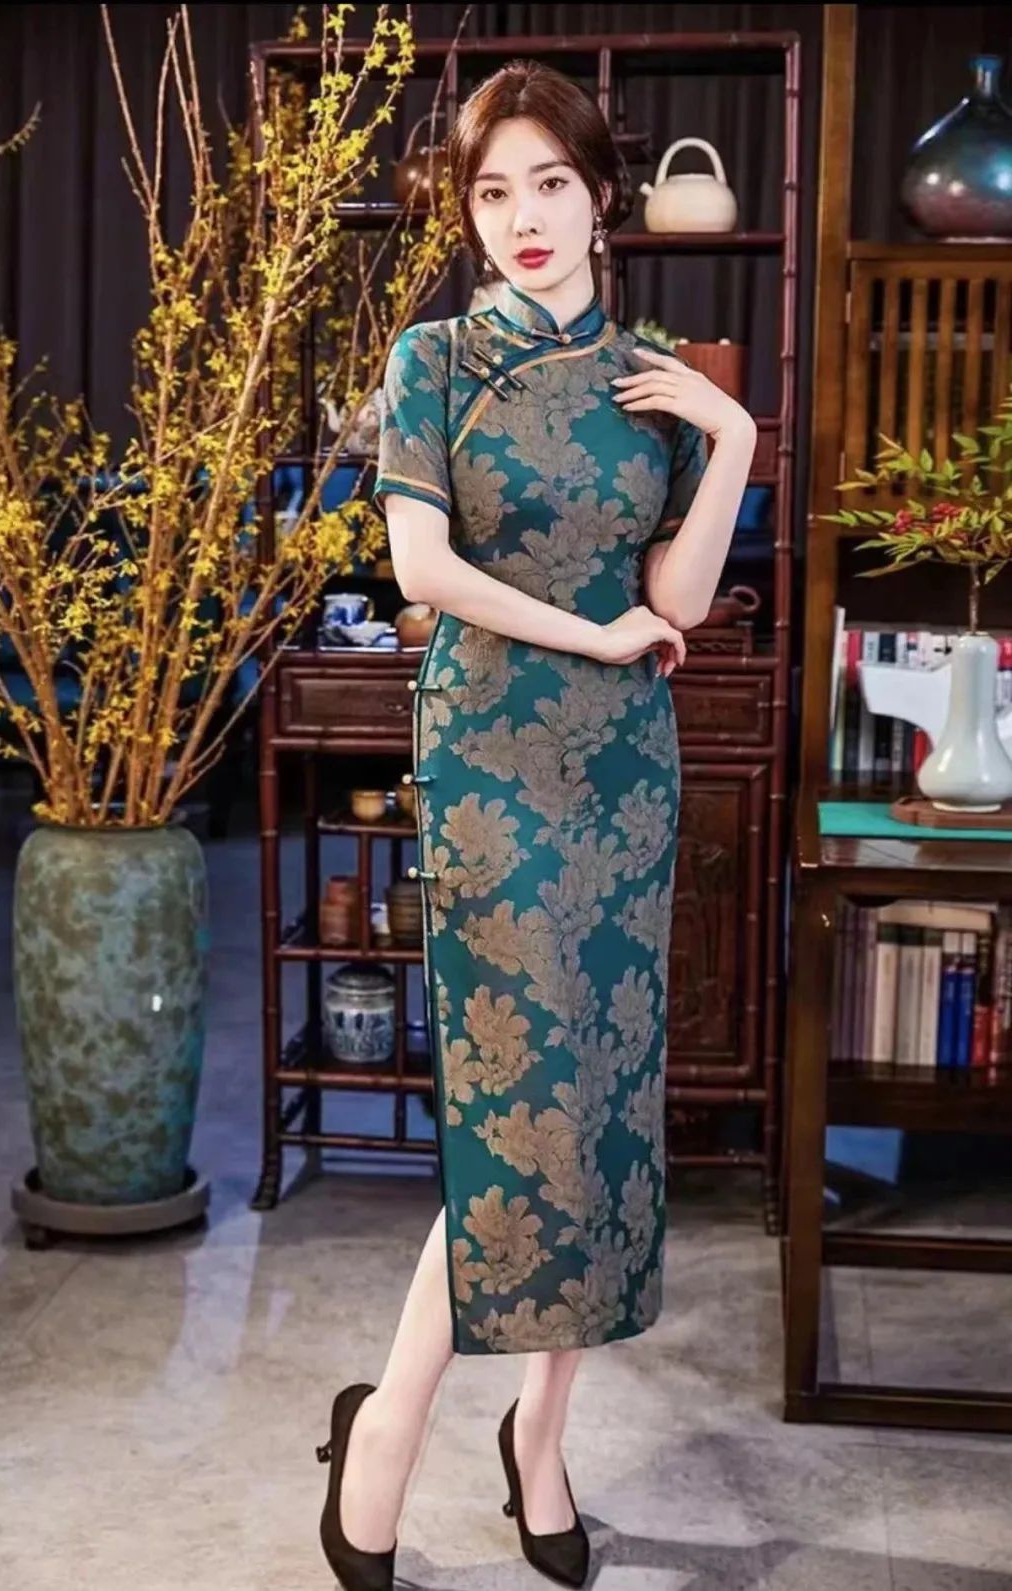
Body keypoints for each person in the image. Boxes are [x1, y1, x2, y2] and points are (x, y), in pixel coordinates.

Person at [316, 58, 757, 1591]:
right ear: (470, 210)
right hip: (493, 764)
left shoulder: (653, 378)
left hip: (624, 775)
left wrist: (732, 441)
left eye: (550, 183)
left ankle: (542, 1438)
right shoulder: (434, 359)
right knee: (520, 1117)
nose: (523, 215)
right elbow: (423, 574)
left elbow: (678, 599)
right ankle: (387, 1429)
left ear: (600, 194)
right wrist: (599, 634)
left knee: (606, 1116)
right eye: (493, 189)